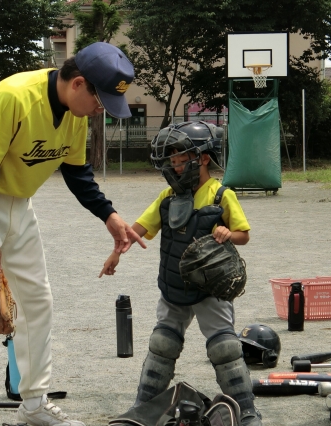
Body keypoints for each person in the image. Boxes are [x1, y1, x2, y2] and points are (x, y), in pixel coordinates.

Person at [0, 42, 146, 426]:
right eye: (99, 99)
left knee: (37, 300)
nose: (101, 108)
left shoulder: (75, 112)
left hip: (20, 201)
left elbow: (77, 173)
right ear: (78, 84)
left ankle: (33, 404)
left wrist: (109, 215)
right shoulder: (14, 96)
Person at [100, 121, 261, 426]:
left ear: (202, 158)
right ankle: (143, 408)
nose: (174, 166)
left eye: (181, 158)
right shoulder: (167, 198)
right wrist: (115, 255)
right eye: (171, 160)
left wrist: (229, 233)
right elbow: (136, 231)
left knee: (225, 348)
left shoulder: (220, 195)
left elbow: (244, 234)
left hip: (209, 288)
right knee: (162, 344)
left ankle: (248, 412)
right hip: (173, 286)